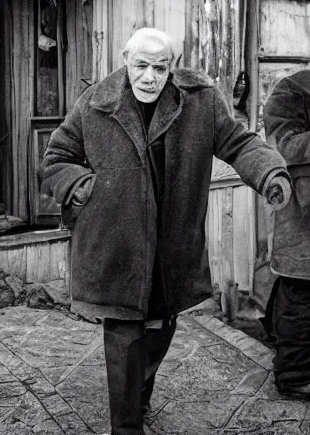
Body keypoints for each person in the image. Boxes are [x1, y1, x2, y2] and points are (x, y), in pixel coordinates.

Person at [39, 28, 291, 435]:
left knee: (160, 325)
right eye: (141, 65)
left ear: (172, 65)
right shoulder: (96, 103)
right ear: (125, 59)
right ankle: (126, 425)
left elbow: (240, 143)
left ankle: (138, 396)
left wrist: (268, 172)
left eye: (160, 67)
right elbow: (57, 157)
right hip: (117, 241)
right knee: (123, 335)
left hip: (170, 242)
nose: (149, 77)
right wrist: (84, 187)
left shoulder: (200, 101)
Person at [262, 68, 310, 400]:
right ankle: (293, 377)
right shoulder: (291, 89)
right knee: (300, 298)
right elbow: (284, 146)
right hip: (302, 219)